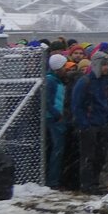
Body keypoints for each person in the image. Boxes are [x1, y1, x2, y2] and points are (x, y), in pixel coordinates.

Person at [71, 50, 108, 194]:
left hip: (103, 125)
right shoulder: (85, 82)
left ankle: (96, 183)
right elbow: (77, 105)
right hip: (90, 126)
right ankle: (87, 185)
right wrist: (85, 124)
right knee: (88, 157)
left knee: (101, 157)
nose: (107, 68)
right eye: (104, 65)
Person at [44, 53, 69, 187]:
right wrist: (57, 114)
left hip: (55, 117)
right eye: (64, 66)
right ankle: (53, 180)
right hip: (54, 119)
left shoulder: (55, 80)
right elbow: (48, 102)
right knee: (57, 149)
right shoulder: (51, 81)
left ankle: (54, 178)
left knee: (57, 149)